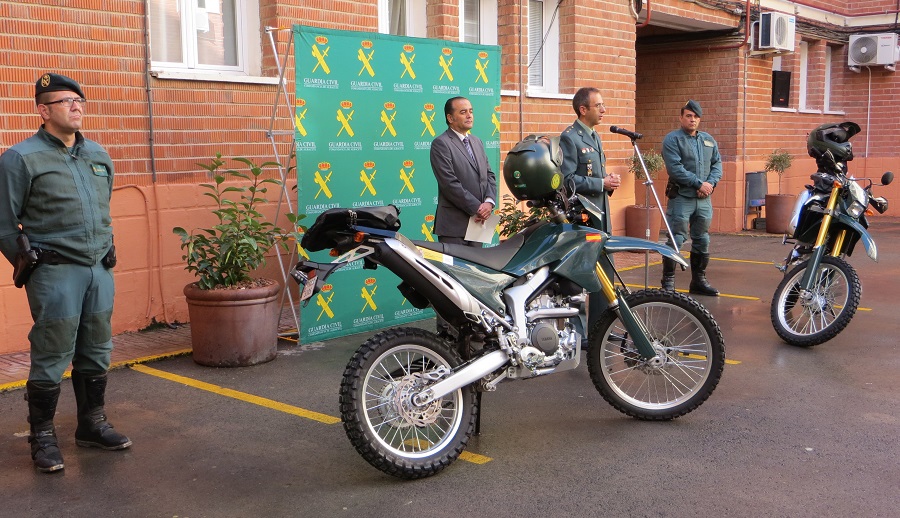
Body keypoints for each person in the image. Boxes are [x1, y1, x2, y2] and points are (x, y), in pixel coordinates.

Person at [0, 73, 131, 473]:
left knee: (96, 348)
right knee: (53, 352)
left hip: (98, 271)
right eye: (65, 101)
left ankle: (91, 424)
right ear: (43, 110)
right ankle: (42, 437)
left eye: (79, 101)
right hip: (55, 274)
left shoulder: (98, 155)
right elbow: (5, 226)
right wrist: (32, 269)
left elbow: (101, 208)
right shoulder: (20, 158)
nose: (76, 107)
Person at [559, 87, 621, 342]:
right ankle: (578, 333)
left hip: (600, 214)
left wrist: (609, 182)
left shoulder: (594, 135)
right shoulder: (570, 138)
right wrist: (600, 184)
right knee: (579, 275)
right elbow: (567, 179)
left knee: (604, 272)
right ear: (583, 110)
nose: (604, 110)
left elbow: (595, 174)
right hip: (582, 217)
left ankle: (601, 329)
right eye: (599, 106)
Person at [659, 99, 722, 296]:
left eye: (695, 116)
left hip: (704, 199)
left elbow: (717, 165)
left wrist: (709, 185)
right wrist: (698, 184)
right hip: (682, 198)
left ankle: (698, 281)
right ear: (681, 118)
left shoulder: (708, 140)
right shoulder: (673, 139)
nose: (692, 119)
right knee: (676, 238)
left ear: (699, 119)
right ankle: (668, 282)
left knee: (702, 239)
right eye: (688, 116)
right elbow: (675, 168)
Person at [430, 96, 497, 246]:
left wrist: (489, 202)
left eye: (471, 111)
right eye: (463, 112)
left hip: (478, 224)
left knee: (475, 269)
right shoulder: (441, 143)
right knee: (455, 270)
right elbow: (449, 184)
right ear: (450, 118)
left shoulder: (477, 141)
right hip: (454, 227)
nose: (469, 115)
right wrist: (477, 208)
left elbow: (489, 176)